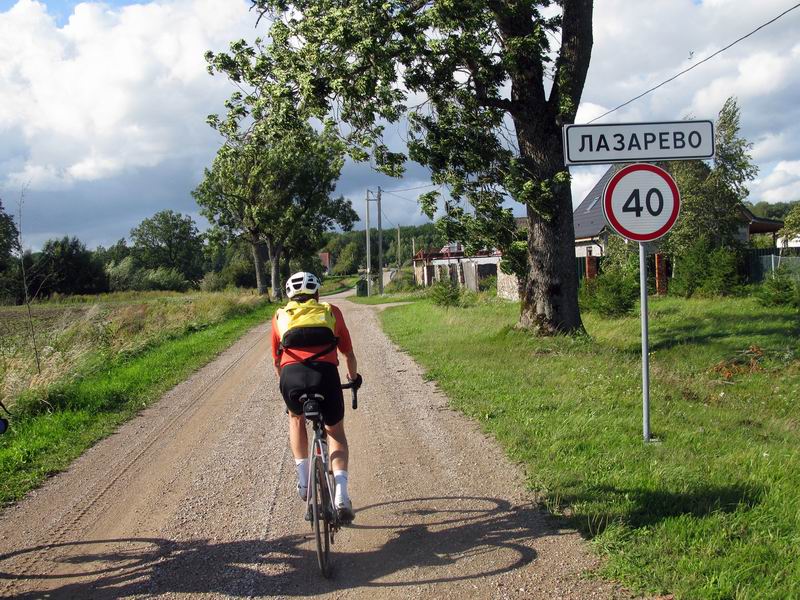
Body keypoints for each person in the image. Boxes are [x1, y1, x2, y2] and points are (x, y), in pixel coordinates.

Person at [271, 271, 359, 523]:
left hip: (292, 379)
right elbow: (348, 354)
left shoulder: (279, 316)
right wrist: (353, 378)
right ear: (317, 293)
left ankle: (304, 481)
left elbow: (277, 362)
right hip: (326, 377)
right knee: (335, 431)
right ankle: (341, 495)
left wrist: (288, 389)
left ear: (289, 296)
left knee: (295, 418)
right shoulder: (331, 312)